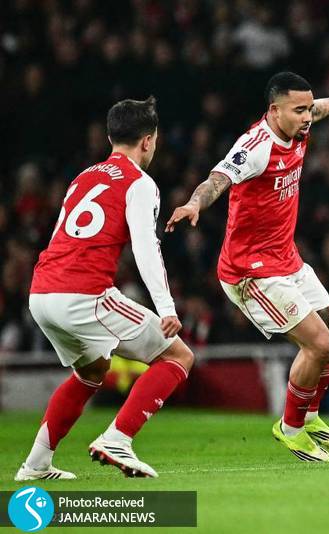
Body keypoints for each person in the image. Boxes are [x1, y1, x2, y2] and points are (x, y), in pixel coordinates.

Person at [166, 72, 329, 462]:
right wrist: (195, 203)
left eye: (308, 109)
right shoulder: (255, 147)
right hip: (251, 273)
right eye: (299, 110)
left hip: (286, 258)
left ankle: (310, 416)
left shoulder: (299, 125)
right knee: (318, 343)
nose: (307, 117)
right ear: (274, 110)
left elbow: (321, 108)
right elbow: (217, 179)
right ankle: (291, 428)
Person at [17, 97, 193, 480]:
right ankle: (118, 439)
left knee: (92, 371)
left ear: (111, 137)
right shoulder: (140, 183)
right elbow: (146, 248)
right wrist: (166, 307)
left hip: (42, 293)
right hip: (83, 295)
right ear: (148, 141)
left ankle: (35, 465)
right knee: (178, 356)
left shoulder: (84, 177)